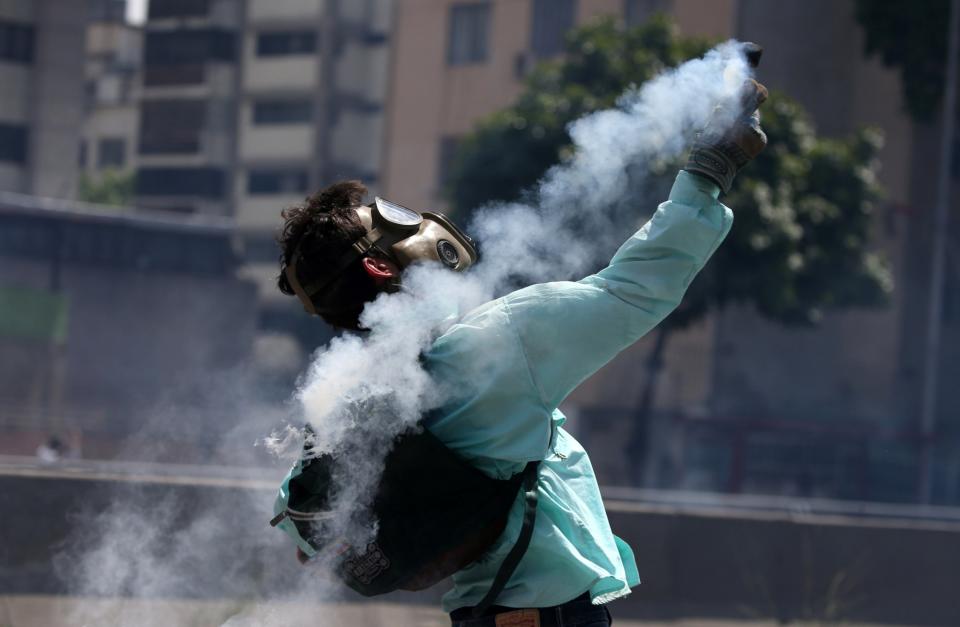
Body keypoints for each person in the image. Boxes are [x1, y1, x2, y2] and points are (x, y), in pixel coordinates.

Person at [274, 73, 768, 626]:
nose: (412, 222)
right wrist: (711, 168)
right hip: (544, 615)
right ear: (379, 264)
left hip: (486, 612)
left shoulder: (349, 401)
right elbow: (632, 290)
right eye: (391, 220)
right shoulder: (495, 343)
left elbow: (301, 529)